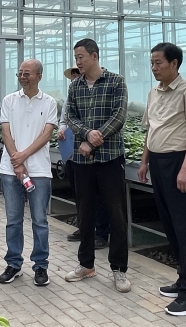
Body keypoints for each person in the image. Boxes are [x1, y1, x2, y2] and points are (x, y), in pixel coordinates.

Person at [137, 42, 186, 317]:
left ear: (174, 63)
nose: (154, 67)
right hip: (158, 162)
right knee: (170, 223)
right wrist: (144, 161)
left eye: (158, 62)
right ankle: (184, 279)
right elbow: (151, 130)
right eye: (152, 63)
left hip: (179, 162)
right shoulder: (154, 92)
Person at [63, 38, 130, 293]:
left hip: (110, 158)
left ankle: (119, 269)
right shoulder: (75, 86)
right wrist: (86, 133)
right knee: (85, 213)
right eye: (76, 57)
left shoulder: (116, 81)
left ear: (94, 56)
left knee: (116, 214)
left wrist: (93, 139)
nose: (77, 62)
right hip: (82, 161)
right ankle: (86, 265)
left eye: (81, 57)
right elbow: (70, 116)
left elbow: (119, 115)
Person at [0, 59, 58, 287]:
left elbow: (46, 135)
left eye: (27, 73)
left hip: (39, 170)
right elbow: (6, 132)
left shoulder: (49, 102)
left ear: (39, 76)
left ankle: (41, 266)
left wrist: (22, 157)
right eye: (20, 73)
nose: (23, 77)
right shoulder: (9, 100)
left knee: (40, 220)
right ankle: (13, 263)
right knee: (13, 220)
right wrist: (17, 162)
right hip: (10, 169)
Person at [58, 66, 110, 249]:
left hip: (93, 150)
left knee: (98, 195)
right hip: (73, 153)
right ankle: (85, 228)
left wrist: (88, 138)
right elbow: (65, 119)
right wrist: (61, 129)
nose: (75, 77)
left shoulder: (98, 92)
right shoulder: (71, 94)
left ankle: (101, 232)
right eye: (73, 75)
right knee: (81, 194)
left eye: (77, 74)